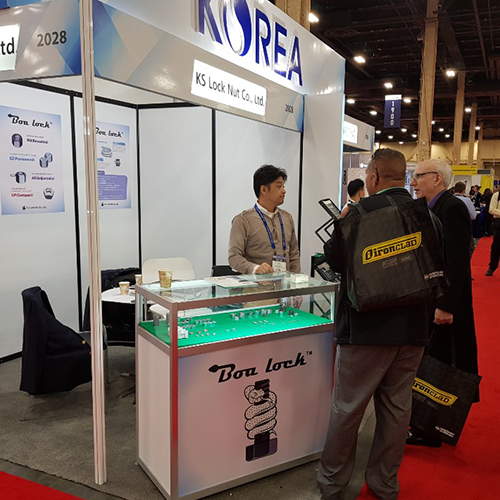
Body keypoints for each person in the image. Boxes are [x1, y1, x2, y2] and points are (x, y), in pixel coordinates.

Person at [318, 148, 435, 500]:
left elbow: (334, 259)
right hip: (413, 330)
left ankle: (333, 484)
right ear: (404, 177)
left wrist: (341, 223)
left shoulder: (358, 214)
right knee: (397, 411)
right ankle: (384, 485)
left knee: (347, 409)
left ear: (373, 177)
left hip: (365, 331)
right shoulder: (428, 216)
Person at [408, 159, 479, 446]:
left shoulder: (451, 208)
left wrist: (446, 306)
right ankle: (427, 425)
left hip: (447, 305)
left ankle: (432, 429)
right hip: (435, 300)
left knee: (443, 364)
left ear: (436, 178)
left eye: (418, 176)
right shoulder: (433, 207)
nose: (413, 183)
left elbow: (458, 262)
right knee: (433, 361)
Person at [228, 164, 300, 274]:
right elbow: (234, 257)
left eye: (283, 186)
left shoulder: (287, 218)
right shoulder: (243, 220)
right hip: (255, 283)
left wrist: (296, 280)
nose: (284, 191)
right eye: (279, 186)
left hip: (285, 283)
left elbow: (294, 255)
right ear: (264, 189)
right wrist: (255, 268)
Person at [485, 186, 500, 276]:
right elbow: (491, 210)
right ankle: (492, 267)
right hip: (498, 225)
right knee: (496, 248)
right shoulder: (496, 196)